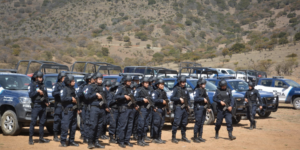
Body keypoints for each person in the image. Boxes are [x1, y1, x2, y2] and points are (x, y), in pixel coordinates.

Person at [86, 73, 110, 149]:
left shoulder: (103, 87)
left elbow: (107, 97)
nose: (101, 80)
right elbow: (87, 97)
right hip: (94, 108)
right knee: (93, 125)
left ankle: (96, 141)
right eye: (99, 79)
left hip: (102, 108)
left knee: (100, 126)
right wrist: (95, 95)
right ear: (95, 79)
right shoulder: (90, 87)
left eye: (101, 79)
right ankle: (90, 142)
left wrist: (107, 106)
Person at [28, 71, 50, 145]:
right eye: (39, 77)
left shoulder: (43, 85)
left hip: (43, 106)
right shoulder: (32, 85)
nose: (41, 79)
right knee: (33, 122)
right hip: (36, 105)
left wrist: (47, 101)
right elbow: (30, 94)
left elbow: (46, 94)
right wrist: (37, 92)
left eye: (41, 77)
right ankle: (30, 138)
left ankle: (41, 138)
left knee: (42, 122)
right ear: (36, 77)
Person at [115, 76, 135, 148]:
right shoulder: (121, 88)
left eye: (130, 81)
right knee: (122, 126)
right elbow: (116, 97)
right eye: (128, 81)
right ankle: (121, 141)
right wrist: (124, 96)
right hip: (123, 109)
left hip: (130, 109)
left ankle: (127, 140)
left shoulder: (131, 89)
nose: (130, 82)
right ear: (125, 81)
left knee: (129, 126)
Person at [60, 74, 79, 147]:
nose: (74, 82)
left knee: (73, 127)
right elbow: (62, 98)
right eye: (73, 81)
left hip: (73, 111)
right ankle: (63, 141)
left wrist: (77, 108)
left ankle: (71, 141)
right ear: (68, 82)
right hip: (67, 111)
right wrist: (71, 99)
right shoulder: (64, 89)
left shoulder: (73, 89)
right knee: (65, 126)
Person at [170, 76, 191, 144]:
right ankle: (173, 137)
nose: (183, 83)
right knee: (176, 123)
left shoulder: (185, 89)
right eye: (182, 82)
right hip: (178, 107)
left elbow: (188, 98)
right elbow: (172, 98)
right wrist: (179, 99)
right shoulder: (176, 89)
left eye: (184, 82)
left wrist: (189, 104)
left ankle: (183, 136)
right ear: (179, 82)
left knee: (184, 123)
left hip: (185, 108)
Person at [134, 77, 153, 146]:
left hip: (148, 109)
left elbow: (151, 98)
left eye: (148, 83)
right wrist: (142, 99)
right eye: (146, 83)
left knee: (145, 125)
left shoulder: (149, 89)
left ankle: (142, 139)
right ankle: (139, 140)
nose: (147, 84)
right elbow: (135, 98)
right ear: (142, 83)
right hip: (142, 109)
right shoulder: (139, 90)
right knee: (141, 125)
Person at [152, 79, 170, 144]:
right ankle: (155, 138)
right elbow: (153, 100)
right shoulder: (155, 92)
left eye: (163, 84)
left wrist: (168, 109)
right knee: (156, 124)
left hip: (163, 110)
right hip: (157, 109)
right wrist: (161, 101)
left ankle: (159, 138)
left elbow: (166, 101)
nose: (162, 85)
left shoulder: (163, 92)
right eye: (161, 84)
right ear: (157, 85)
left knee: (161, 124)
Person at [193, 78, 211, 143]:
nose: (204, 85)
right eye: (203, 84)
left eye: (205, 84)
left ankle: (200, 136)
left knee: (201, 123)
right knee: (198, 122)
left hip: (203, 108)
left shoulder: (204, 90)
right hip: (198, 108)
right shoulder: (197, 90)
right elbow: (196, 98)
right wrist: (202, 99)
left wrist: (208, 107)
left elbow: (207, 99)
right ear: (200, 84)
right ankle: (195, 137)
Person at [77, 73, 93, 143]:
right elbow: (78, 97)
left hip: (91, 107)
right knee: (84, 122)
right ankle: (84, 136)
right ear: (89, 79)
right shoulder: (82, 87)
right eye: (92, 78)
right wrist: (79, 107)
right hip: (84, 107)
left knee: (90, 122)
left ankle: (89, 136)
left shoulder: (94, 86)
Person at [52, 72, 66, 142]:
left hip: (65, 105)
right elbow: (53, 93)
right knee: (57, 120)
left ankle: (62, 135)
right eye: (64, 77)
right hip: (58, 105)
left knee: (63, 121)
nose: (65, 78)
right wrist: (61, 92)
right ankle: (55, 135)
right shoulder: (56, 85)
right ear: (60, 78)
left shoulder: (66, 85)